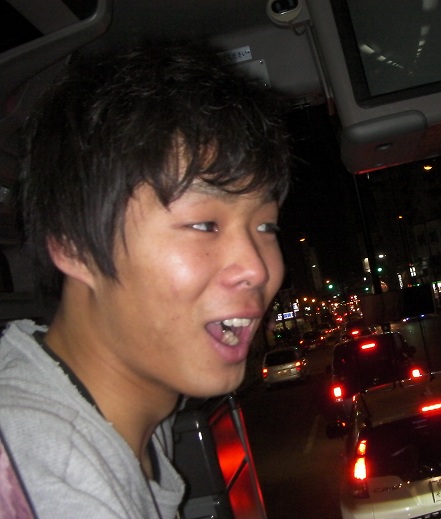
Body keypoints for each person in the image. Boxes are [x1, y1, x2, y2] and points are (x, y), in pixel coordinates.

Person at [0, 42, 292, 518]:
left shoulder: (135, 420)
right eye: (204, 224)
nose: (257, 269)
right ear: (73, 245)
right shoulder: (43, 480)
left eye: (266, 227)